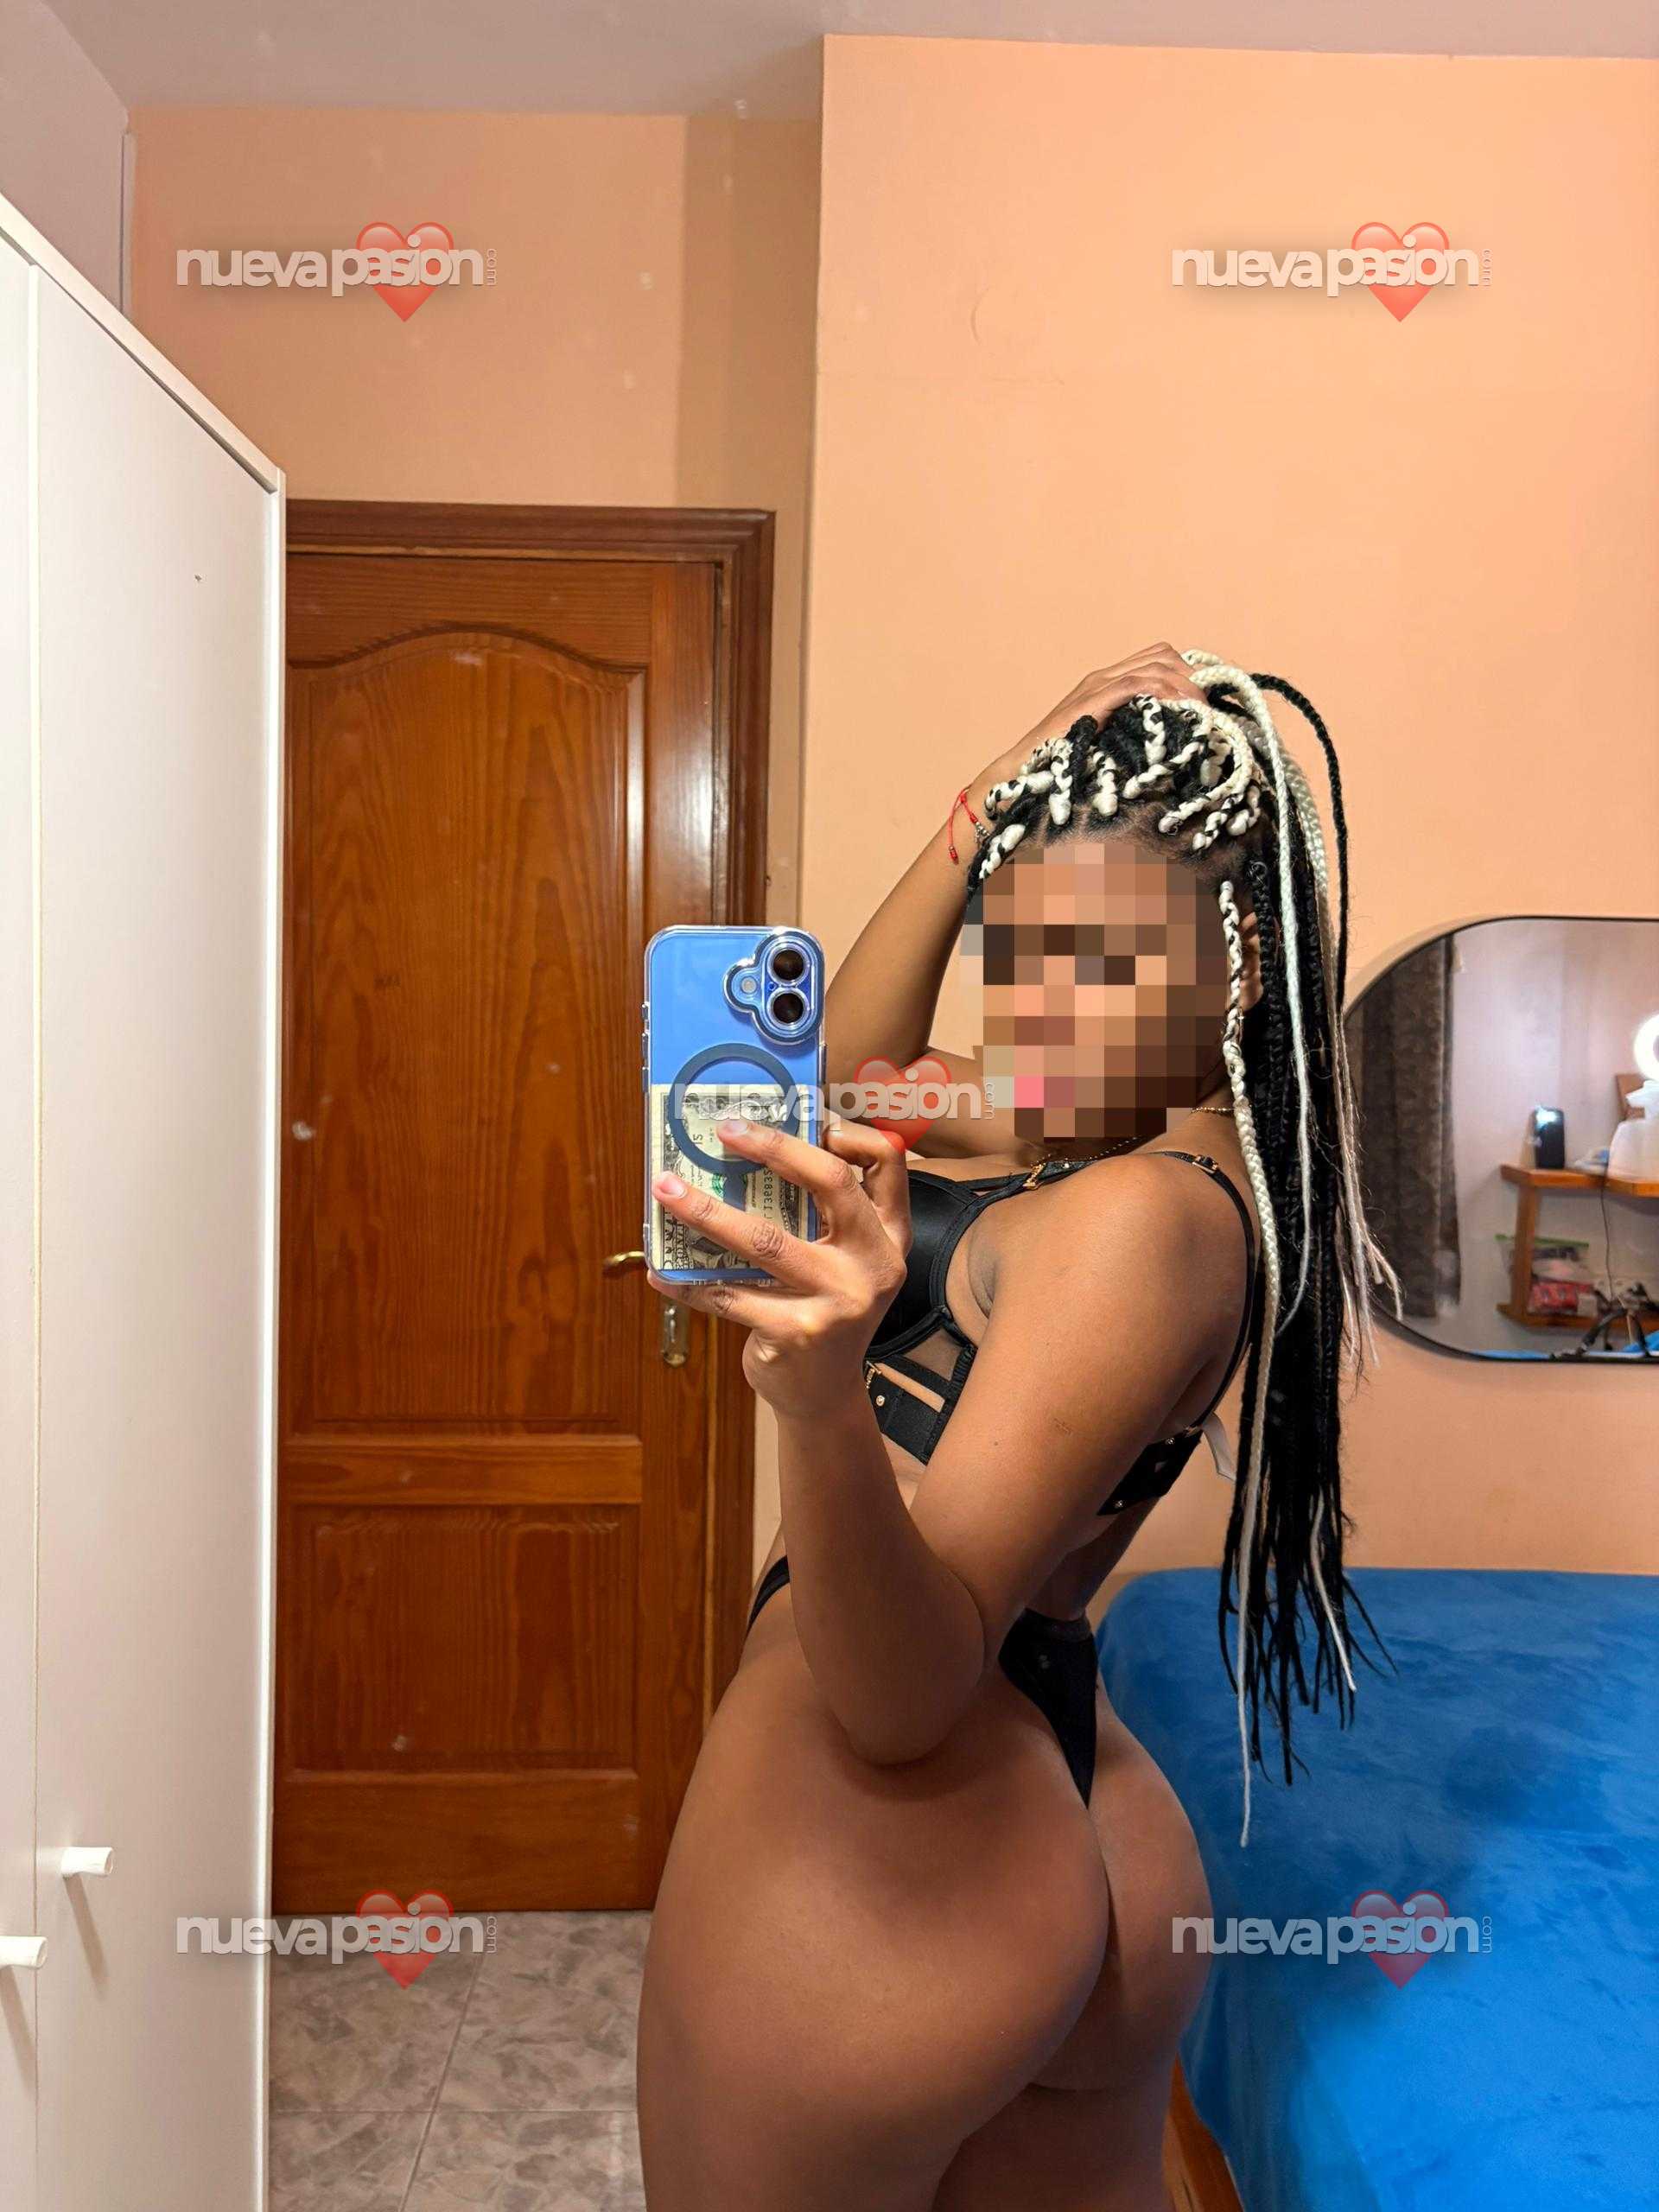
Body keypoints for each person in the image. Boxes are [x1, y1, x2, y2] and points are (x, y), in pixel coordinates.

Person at [634, 644, 1395, 2211]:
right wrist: (987, 801)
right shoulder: (1096, 1116)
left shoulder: (1142, 1223)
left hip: (894, 1855)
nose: (1045, 1018)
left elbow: (900, 1700)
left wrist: (818, 1398)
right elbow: (841, 1084)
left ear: (1240, 969)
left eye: (1101, 964)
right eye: (1019, 954)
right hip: (1065, 1810)